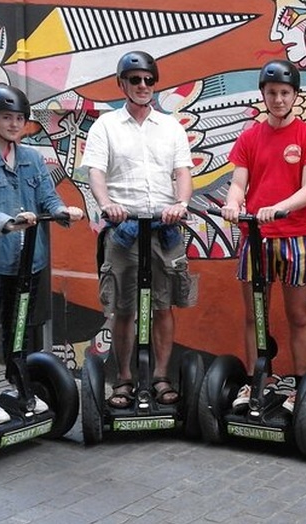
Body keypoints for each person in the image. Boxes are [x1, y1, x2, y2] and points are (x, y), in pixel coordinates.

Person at [0, 85, 84, 424]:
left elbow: (46, 195)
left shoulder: (31, 158)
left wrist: (62, 211)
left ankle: (18, 387)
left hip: (28, 260)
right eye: (6, 117)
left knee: (19, 327)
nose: (14, 124)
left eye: (18, 118)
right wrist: (9, 222)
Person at [82, 51, 195, 410]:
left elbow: (182, 173)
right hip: (124, 227)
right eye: (135, 80)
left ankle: (161, 376)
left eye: (148, 79)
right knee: (124, 308)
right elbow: (96, 172)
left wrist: (181, 203)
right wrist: (106, 204)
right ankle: (125, 379)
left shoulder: (171, 127)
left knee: (163, 306)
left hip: (164, 228)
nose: (143, 86)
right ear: (122, 84)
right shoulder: (106, 127)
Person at [221, 59, 306, 412]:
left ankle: (300, 387)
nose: (279, 99)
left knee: (297, 315)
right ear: (263, 95)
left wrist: (279, 207)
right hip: (256, 237)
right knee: (255, 315)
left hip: (295, 237)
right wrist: (232, 204)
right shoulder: (250, 136)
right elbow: (238, 183)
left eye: (285, 93)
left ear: (295, 95)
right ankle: (258, 382)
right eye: (272, 93)